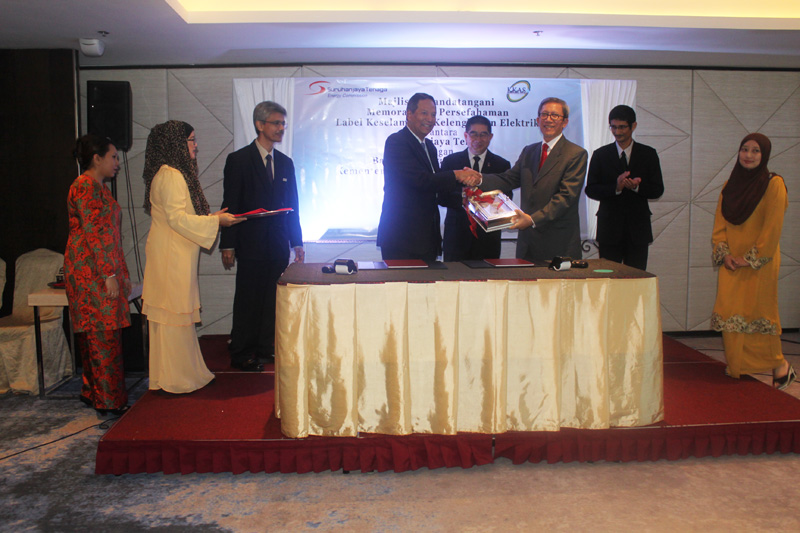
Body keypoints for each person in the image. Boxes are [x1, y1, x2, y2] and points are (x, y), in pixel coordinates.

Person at [142, 120, 241, 393]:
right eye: (191, 140)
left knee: (175, 314)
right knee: (173, 314)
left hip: (173, 253)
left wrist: (212, 218)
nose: (195, 145)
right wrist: (215, 222)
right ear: (176, 143)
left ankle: (175, 375)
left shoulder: (168, 173)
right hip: (171, 256)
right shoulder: (171, 175)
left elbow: (180, 217)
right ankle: (176, 378)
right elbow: (177, 219)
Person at [220, 101, 304, 372]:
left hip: (278, 243)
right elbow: (231, 204)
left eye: (283, 124)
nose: (281, 128)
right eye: (276, 123)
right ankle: (242, 352)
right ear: (260, 124)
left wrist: (297, 241)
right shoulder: (239, 160)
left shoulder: (285, 163)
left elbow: (293, 206)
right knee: (249, 298)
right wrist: (228, 244)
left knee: (272, 298)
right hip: (250, 242)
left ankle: (266, 346)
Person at [711, 133, 793, 389]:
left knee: (759, 313)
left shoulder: (774, 184)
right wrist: (725, 254)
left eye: (755, 151)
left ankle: (780, 365)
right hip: (731, 262)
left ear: (764, 155)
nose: (748, 155)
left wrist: (749, 259)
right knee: (730, 312)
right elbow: (720, 225)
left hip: (760, 263)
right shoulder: (729, 185)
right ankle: (738, 365)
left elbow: (772, 229)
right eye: (744, 149)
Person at [65, 134, 131, 415]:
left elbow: (109, 234)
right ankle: (108, 399)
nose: (117, 162)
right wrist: (108, 273)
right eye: (113, 157)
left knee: (98, 333)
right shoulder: (84, 186)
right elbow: (94, 232)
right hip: (91, 271)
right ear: (97, 158)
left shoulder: (98, 188)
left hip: (98, 269)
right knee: (101, 334)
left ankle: (93, 390)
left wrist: (119, 271)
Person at [479, 97, 588, 262]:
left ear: (565, 122)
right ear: (537, 120)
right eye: (544, 115)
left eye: (554, 115)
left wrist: (531, 220)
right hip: (528, 243)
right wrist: (478, 179)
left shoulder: (575, 154)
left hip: (559, 243)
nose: (548, 119)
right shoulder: (529, 151)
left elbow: (566, 198)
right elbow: (508, 179)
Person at [377, 93, 481, 261]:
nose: (430, 119)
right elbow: (421, 180)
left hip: (426, 238)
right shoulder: (397, 142)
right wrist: (457, 174)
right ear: (409, 114)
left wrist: (465, 200)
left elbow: (436, 188)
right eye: (424, 113)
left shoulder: (430, 147)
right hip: (401, 238)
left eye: (433, 114)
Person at [585, 105, 664, 270]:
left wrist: (636, 187)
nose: (617, 132)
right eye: (613, 127)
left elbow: (657, 189)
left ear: (633, 126)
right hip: (609, 229)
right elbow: (591, 189)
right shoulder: (600, 154)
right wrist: (616, 188)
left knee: (636, 278)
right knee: (608, 277)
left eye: (622, 127)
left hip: (638, 230)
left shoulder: (648, 154)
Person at [439, 115, 512, 261]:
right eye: (473, 134)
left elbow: (507, 197)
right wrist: (465, 197)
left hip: (488, 239)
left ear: (490, 137)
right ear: (466, 136)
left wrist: (482, 199)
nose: (478, 139)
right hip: (456, 237)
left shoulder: (502, 165)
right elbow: (441, 197)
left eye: (483, 134)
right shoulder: (450, 162)